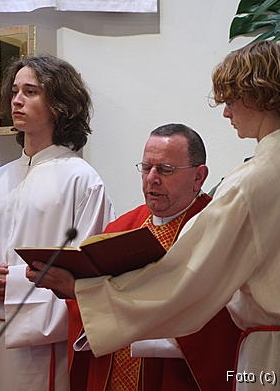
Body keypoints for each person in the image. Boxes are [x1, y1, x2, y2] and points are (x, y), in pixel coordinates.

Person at [27, 41, 280, 390]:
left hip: (279, 357)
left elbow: (186, 277)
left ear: (255, 96)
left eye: (230, 101)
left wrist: (84, 290)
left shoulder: (255, 180)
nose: (226, 113)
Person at [0, 54, 115, 391]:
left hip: (39, 343)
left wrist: (14, 284)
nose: (16, 100)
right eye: (15, 91)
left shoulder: (82, 180)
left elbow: (88, 267)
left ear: (60, 105)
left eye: (30, 92)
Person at [58, 123, 241, 391]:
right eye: (146, 168)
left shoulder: (217, 231)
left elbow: (223, 321)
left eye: (166, 170)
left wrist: (136, 322)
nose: (151, 179)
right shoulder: (120, 229)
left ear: (199, 177)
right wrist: (77, 290)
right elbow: (84, 308)